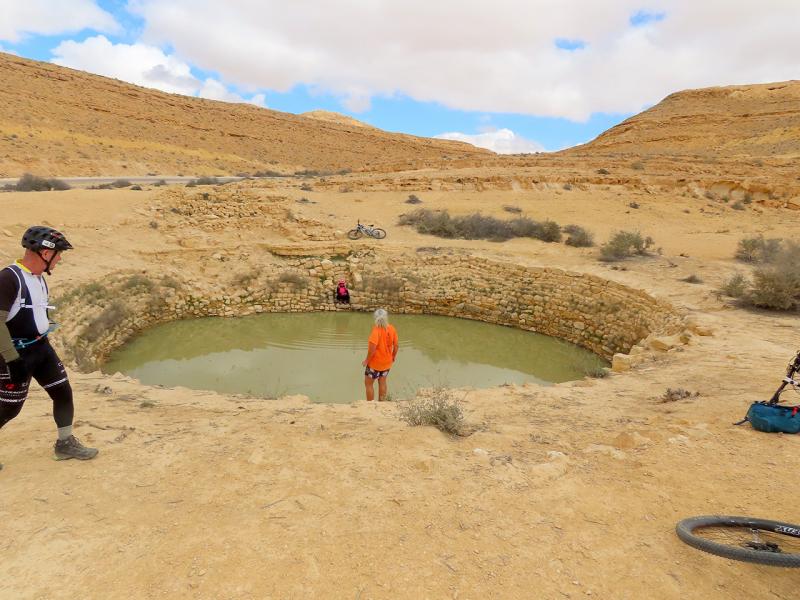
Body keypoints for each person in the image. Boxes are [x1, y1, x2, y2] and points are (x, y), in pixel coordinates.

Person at [0, 226, 98, 470]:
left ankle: (65, 444)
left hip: (41, 348)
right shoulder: (8, 278)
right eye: (59, 254)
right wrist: (12, 359)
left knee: (62, 392)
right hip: (15, 355)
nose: (60, 259)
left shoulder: (39, 278)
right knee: (9, 409)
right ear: (45, 253)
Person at [362, 308, 398, 401]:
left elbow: (372, 349)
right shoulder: (392, 329)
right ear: (386, 318)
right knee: (382, 382)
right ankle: (382, 404)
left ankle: (370, 404)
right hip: (386, 363)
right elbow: (396, 345)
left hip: (374, 364)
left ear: (375, 318)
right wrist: (393, 356)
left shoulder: (376, 330)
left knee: (368, 383)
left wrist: (366, 360)